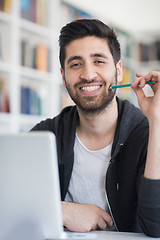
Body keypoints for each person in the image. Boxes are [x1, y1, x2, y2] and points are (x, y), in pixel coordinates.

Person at [31, 19, 160, 237]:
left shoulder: (148, 133)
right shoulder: (45, 135)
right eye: (75, 64)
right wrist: (60, 210)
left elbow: (156, 227)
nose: (88, 74)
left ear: (118, 70)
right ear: (63, 76)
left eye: (99, 61)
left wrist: (156, 121)